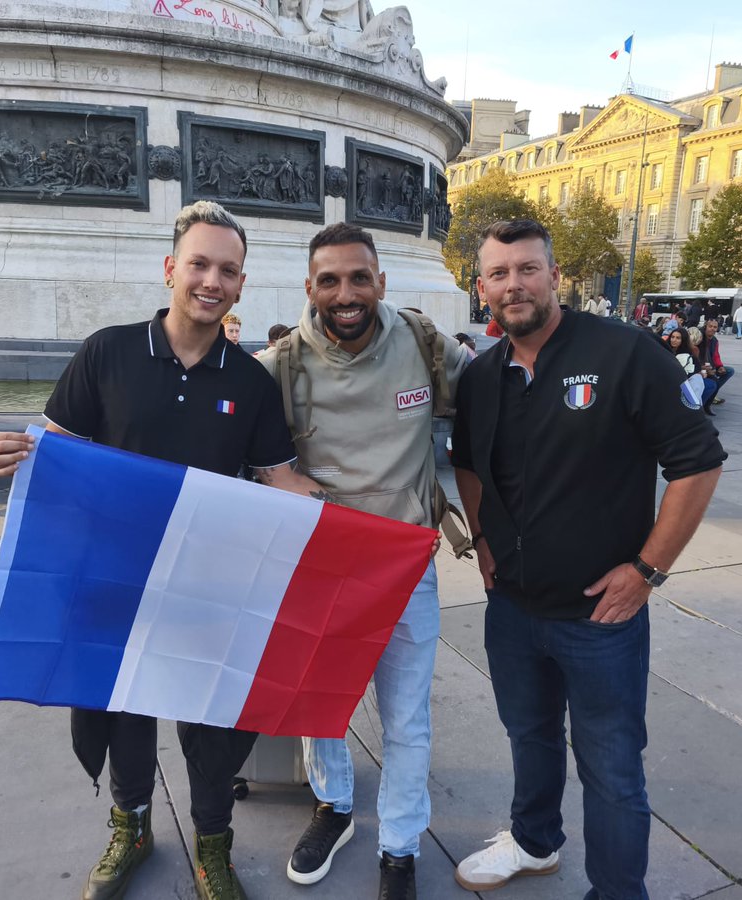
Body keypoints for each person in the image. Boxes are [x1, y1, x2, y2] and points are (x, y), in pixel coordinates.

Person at [0, 201, 326, 900]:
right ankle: (130, 827)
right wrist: (9, 453)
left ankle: (213, 846)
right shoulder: (107, 351)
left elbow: (282, 480)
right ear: (171, 269)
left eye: (228, 270)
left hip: (206, 583)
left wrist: (368, 530)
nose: (211, 280)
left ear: (241, 284)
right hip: (114, 578)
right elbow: (57, 451)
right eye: (199, 264)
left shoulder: (249, 382)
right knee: (121, 710)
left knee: (211, 719)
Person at [449, 219, 725, 898]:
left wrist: (649, 569)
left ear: (554, 275)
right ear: (481, 288)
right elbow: (468, 468)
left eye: (527, 268)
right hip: (512, 611)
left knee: (611, 770)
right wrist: (483, 543)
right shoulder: (482, 376)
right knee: (530, 736)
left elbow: (698, 461)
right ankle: (536, 843)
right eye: (498, 273)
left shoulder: (624, 353)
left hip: (600, 618)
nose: (513, 284)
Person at [255, 222, 468, 900]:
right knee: (322, 708)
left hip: (406, 569)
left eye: (358, 278)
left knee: (407, 721)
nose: (345, 293)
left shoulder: (425, 344)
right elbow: (210, 437)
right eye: (329, 280)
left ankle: (400, 848)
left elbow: (505, 399)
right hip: (320, 570)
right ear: (310, 288)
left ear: (380, 281)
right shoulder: (279, 367)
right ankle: (335, 806)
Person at [700, 318, 735, 406]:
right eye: (710, 326)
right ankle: (709, 396)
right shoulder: (699, 337)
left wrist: (720, 367)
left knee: (729, 371)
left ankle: (712, 394)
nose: (712, 329)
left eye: (715, 327)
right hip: (700, 367)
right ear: (705, 327)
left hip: (710, 366)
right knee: (712, 379)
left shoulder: (715, 341)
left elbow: (716, 356)